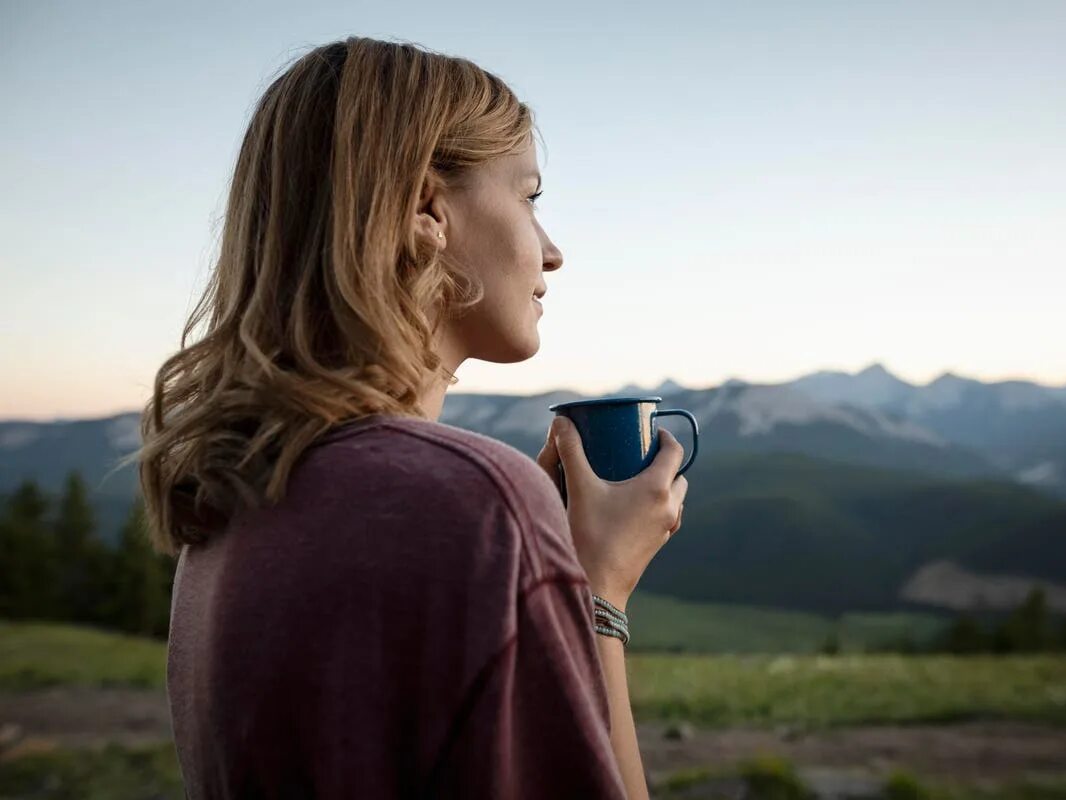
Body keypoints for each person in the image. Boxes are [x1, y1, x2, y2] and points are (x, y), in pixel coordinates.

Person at [122, 35, 688, 799]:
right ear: (428, 207)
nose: (552, 253)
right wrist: (601, 595)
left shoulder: (229, 502)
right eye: (529, 198)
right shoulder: (480, 501)